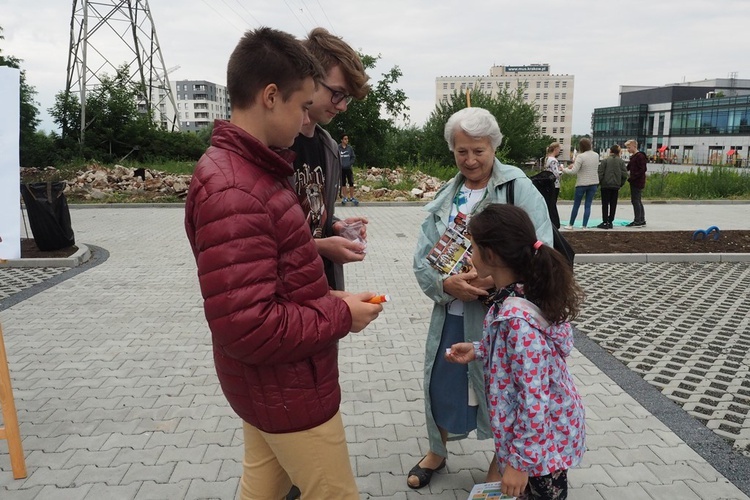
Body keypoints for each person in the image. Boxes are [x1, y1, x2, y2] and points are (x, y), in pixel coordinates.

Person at [183, 28, 382, 500]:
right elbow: (248, 324)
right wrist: (340, 314)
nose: (305, 121)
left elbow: (271, 282)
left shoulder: (251, 172)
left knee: (263, 490)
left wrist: (334, 295)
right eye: (301, 106)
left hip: (274, 383)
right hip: (287, 385)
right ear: (271, 97)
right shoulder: (236, 188)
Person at [410, 107, 553, 490]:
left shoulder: (517, 188)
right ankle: (437, 451)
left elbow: (542, 249)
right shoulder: (448, 193)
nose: (470, 160)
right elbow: (422, 258)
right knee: (441, 381)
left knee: (501, 388)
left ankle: (501, 460)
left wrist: (493, 285)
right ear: (452, 151)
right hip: (451, 311)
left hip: (501, 317)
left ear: (493, 147)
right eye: (461, 151)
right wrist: (444, 286)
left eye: (478, 151)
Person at [445, 203, 586, 499]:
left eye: (472, 247)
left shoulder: (517, 321)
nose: (469, 255)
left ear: (491, 255)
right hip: (539, 441)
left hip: (540, 450)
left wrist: (520, 465)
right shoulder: (521, 292)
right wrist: (479, 349)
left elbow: (533, 399)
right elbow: (524, 357)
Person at [291, 27, 370, 291]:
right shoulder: (274, 145)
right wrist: (322, 247)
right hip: (286, 298)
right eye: (337, 93)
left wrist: (336, 226)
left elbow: (316, 217)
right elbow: (260, 241)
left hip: (325, 289)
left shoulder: (329, 147)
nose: (342, 105)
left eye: (346, 97)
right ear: (308, 79)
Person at [562, 137, 599, 229]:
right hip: (593, 182)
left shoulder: (580, 156)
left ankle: (571, 224)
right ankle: (584, 225)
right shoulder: (596, 155)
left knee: (576, 205)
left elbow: (573, 171)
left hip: (582, 183)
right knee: (588, 205)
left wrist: (564, 169)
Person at [596, 144, 628, 229]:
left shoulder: (605, 161)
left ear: (610, 151)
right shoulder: (621, 162)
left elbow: (600, 173)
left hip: (605, 186)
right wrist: (620, 183)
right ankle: (611, 221)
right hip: (616, 186)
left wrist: (599, 183)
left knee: (605, 204)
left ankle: (605, 221)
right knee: (613, 204)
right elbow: (625, 175)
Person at [625, 139, 647, 226]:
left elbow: (643, 169)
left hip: (637, 181)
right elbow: (628, 167)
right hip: (635, 181)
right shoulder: (634, 157)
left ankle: (637, 220)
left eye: (629, 147)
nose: (628, 149)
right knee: (638, 200)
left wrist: (633, 177)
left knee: (635, 201)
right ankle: (641, 219)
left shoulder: (640, 156)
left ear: (634, 146)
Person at [544, 142, 563, 228]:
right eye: (559, 149)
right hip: (554, 185)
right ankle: (555, 222)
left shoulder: (547, 159)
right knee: (553, 204)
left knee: (549, 203)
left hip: (548, 184)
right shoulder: (553, 160)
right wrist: (562, 170)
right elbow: (556, 173)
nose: (559, 151)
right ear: (555, 149)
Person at [339, 134, 358, 205]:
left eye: (347, 139)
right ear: (342, 140)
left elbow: (353, 157)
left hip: (348, 168)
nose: (346, 140)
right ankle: (345, 197)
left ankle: (352, 197)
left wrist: (349, 163)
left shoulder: (350, 148)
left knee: (351, 182)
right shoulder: (338, 148)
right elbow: (336, 157)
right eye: (345, 139)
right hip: (341, 168)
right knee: (343, 183)